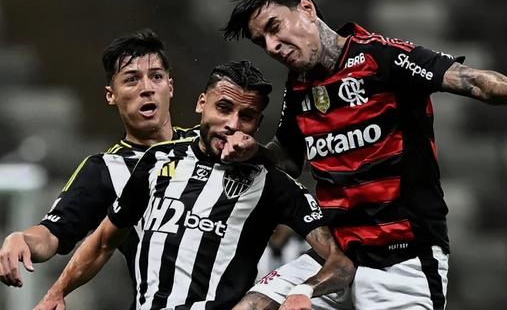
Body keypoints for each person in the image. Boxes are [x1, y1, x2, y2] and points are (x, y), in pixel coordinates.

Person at [222, 0, 507, 309]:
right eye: (261, 41)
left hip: (402, 258)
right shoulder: (299, 87)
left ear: (306, 8)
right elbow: (288, 158)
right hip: (335, 254)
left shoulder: (382, 57)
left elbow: (467, 79)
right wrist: (253, 151)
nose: (271, 46)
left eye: (274, 28)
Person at [34, 60, 355, 310]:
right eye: (224, 108)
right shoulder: (156, 161)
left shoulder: (273, 185)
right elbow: (104, 240)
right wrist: (58, 291)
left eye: (246, 116)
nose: (232, 124)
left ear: (258, 124)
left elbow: (341, 259)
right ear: (202, 103)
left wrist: (304, 289)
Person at [0, 30, 256, 304]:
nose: (147, 87)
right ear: (111, 95)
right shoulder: (106, 170)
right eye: (132, 79)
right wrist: (22, 238)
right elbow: (52, 234)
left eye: (156, 76)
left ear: (170, 86)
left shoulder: (214, 144)